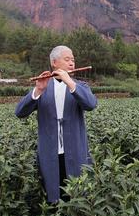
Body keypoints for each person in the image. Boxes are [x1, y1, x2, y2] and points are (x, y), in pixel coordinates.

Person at [15, 45, 97, 203]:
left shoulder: (80, 86)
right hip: (50, 153)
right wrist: (38, 91)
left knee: (77, 196)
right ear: (54, 62)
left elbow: (91, 104)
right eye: (67, 59)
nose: (72, 63)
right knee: (53, 196)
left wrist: (70, 82)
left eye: (73, 59)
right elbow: (20, 112)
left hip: (75, 152)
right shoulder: (43, 86)